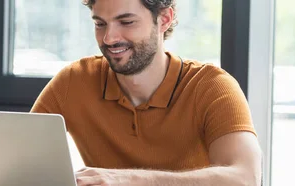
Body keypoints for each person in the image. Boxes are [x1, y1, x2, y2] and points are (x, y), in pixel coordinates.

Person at [30, 0, 262, 185]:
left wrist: (129, 180)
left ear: (164, 19)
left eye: (126, 22)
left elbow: (245, 178)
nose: (109, 38)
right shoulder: (74, 81)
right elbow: (16, 160)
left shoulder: (212, 87)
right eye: (100, 24)